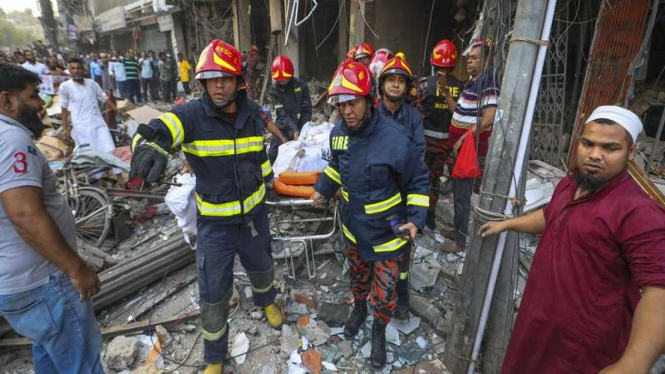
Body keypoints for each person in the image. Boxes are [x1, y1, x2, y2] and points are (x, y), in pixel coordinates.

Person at [130, 40, 284, 374]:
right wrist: (148, 147)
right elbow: (156, 130)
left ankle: (267, 300)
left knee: (262, 266)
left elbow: (258, 152)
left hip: (255, 217)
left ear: (238, 80)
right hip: (215, 226)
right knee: (213, 291)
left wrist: (270, 178)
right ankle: (215, 356)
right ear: (201, 82)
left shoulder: (254, 112)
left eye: (226, 78)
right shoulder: (191, 115)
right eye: (211, 78)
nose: (218, 84)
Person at [479, 105, 665, 374]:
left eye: (610, 148)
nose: (595, 155)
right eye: (588, 144)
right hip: (538, 321)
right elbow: (551, 216)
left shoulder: (638, 212)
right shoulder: (569, 185)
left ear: (631, 152)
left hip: (582, 345)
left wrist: (633, 364)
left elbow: (658, 291)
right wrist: (507, 224)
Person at [311, 60, 429, 370]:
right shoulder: (338, 132)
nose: (346, 110)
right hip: (353, 229)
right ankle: (359, 309)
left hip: (388, 235)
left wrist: (416, 220)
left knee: (386, 290)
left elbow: (418, 179)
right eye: (341, 104)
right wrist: (323, 188)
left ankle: (378, 329)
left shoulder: (395, 137)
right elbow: (337, 165)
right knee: (358, 279)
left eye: (352, 103)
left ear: (368, 100)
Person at [0, 62, 104, 374]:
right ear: (7, 101)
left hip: (19, 284)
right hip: (45, 284)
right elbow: (25, 215)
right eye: (33, 96)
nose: (42, 104)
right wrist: (76, 267)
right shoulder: (11, 141)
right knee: (82, 364)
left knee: (49, 355)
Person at [376, 54, 426, 320]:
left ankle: (402, 292)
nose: (395, 85)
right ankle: (378, 297)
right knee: (377, 244)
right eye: (391, 80)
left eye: (401, 81)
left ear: (407, 87)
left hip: (403, 192)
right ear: (382, 84)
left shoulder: (414, 118)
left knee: (402, 248)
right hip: (377, 193)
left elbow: (418, 155)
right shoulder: (370, 113)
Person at [441, 40, 499, 253]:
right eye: (469, 58)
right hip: (460, 149)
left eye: (475, 58)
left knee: (463, 195)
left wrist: (465, 137)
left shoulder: (489, 82)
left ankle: (460, 241)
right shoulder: (473, 82)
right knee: (458, 193)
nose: (469, 62)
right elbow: (458, 110)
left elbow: (488, 119)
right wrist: (447, 94)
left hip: (469, 152)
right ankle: (458, 230)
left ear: (488, 60)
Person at [416, 39, 464, 244]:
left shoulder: (424, 84)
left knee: (419, 179)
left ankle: (416, 218)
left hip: (425, 142)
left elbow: (414, 110)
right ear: (453, 64)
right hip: (445, 144)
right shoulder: (460, 87)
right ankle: (429, 220)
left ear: (433, 62)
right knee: (434, 181)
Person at [59, 58, 125, 155]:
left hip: (98, 123)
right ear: (69, 71)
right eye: (73, 68)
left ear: (83, 69)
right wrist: (65, 128)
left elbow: (104, 98)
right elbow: (64, 108)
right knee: (89, 156)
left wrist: (119, 111)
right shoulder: (65, 87)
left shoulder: (92, 83)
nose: (76, 71)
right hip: (81, 127)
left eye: (78, 68)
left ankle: (114, 170)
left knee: (109, 150)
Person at [267, 55, 312, 164]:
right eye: (279, 80)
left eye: (285, 79)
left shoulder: (301, 86)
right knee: (273, 153)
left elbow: (307, 109)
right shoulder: (273, 90)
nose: (282, 81)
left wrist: (303, 130)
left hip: (301, 125)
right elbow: (281, 114)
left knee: (304, 156)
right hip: (283, 127)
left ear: (292, 73)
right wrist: (293, 130)